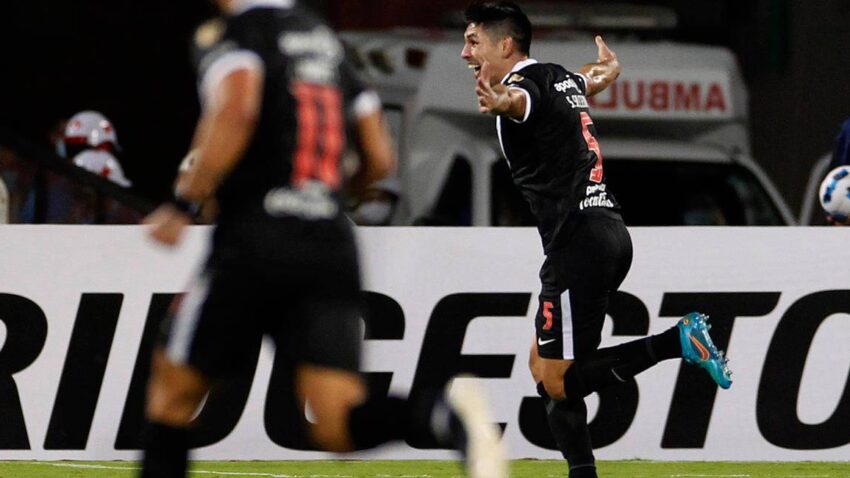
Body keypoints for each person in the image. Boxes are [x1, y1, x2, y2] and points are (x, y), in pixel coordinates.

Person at [139, 1, 506, 477]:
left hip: (254, 240)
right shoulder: (323, 38)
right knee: (335, 421)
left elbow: (236, 105)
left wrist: (186, 201)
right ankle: (442, 416)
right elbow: (378, 156)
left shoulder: (236, 33)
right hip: (330, 244)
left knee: (172, 393)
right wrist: (328, 193)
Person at [460, 2, 732, 477]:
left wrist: (501, 102)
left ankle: (678, 340)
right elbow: (592, 78)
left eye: (474, 42)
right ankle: (582, 471)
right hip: (607, 231)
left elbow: (520, 104)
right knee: (544, 370)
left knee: (559, 380)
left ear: (505, 45)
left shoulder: (524, 88)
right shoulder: (559, 77)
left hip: (577, 245)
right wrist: (609, 68)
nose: (465, 53)